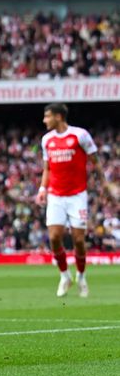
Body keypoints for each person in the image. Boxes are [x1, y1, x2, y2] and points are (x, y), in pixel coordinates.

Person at [35, 103, 110, 298]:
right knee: (54, 237)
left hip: (77, 195)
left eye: (48, 116)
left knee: (78, 240)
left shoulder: (80, 135)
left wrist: (104, 184)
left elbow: (95, 162)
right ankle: (64, 276)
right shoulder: (47, 140)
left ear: (58, 117)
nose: (44, 120)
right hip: (55, 195)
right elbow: (47, 168)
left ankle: (81, 276)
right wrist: (42, 188)